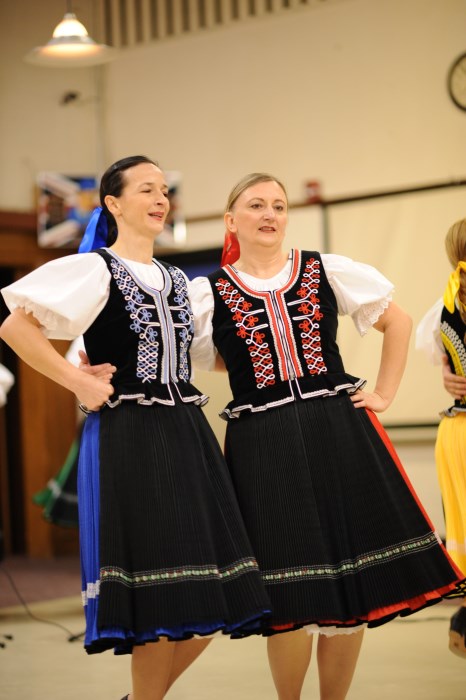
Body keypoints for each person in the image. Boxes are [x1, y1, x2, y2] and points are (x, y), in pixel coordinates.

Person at [0, 156, 271, 700]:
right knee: (158, 592)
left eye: (164, 190)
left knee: (226, 588)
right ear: (113, 204)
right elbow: (15, 328)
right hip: (130, 435)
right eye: (146, 189)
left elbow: (213, 356)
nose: (160, 199)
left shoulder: (181, 282)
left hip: (187, 432)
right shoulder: (93, 269)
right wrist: (75, 381)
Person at [186, 173, 466, 699]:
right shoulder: (208, 293)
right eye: (256, 205)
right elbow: (216, 357)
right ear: (231, 221)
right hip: (263, 444)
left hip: (336, 432)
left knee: (352, 583)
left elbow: (399, 322)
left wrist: (383, 394)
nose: (270, 214)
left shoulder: (324, 269)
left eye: (278, 205)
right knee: (290, 591)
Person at [416, 217, 466, 658]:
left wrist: (450, 376)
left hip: (457, 432)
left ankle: (463, 621)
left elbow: (439, 358)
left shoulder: (446, 303)